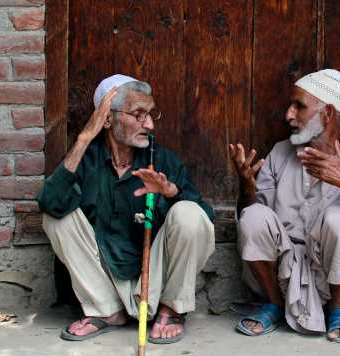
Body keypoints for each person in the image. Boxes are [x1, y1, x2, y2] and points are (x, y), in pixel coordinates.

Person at [229, 69, 340, 343]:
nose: (288, 115)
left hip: (335, 277)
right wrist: (247, 188)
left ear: (329, 113)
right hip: (281, 277)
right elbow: (253, 225)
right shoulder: (279, 154)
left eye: (299, 106)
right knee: (253, 215)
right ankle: (275, 304)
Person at [38, 74, 215, 344]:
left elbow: (204, 218)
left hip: (154, 279)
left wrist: (170, 193)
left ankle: (172, 309)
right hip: (104, 276)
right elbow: (49, 202)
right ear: (108, 119)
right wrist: (85, 137)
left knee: (190, 213)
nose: (150, 124)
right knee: (56, 217)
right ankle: (106, 311)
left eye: (151, 114)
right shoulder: (86, 160)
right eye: (139, 114)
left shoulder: (162, 159)